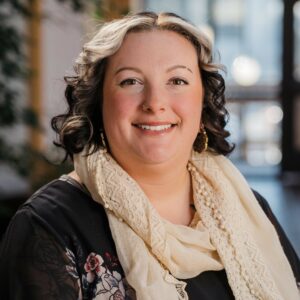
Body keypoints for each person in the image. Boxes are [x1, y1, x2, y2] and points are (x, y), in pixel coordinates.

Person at [0, 11, 299, 300]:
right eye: (131, 81)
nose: (155, 103)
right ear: (98, 101)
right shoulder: (47, 226)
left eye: (177, 81)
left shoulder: (249, 208)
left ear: (202, 102)